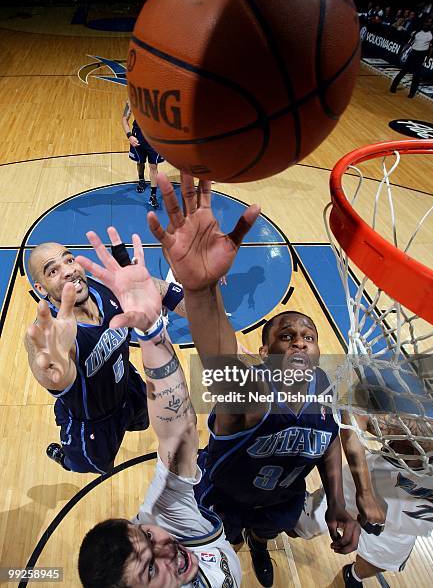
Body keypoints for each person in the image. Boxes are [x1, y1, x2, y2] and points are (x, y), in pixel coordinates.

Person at [148, 172, 360, 587]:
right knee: (224, 542)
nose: (300, 344)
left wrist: (337, 499)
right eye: (287, 336)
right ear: (264, 353)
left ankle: (260, 544)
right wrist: (201, 288)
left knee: (267, 532)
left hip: (282, 496)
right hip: (225, 498)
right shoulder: (249, 394)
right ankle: (237, 548)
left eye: (308, 338)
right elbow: (219, 357)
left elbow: (329, 439)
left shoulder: (326, 387)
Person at [76, 230, 242, 587]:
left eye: (148, 538)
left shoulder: (163, 512)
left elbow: (179, 429)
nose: (168, 551)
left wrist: (151, 331)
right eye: (150, 570)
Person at [24, 229, 186, 474]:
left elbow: (175, 298)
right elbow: (50, 372)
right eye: (52, 271)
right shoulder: (52, 337)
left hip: (127, 384)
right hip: (92, 424)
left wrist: (200, 294)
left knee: (142, 421)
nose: (69, 270)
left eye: (69, 260)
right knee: (90, 466)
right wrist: (50, 374)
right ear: (41, 288)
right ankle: (64, 458)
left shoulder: (108, 288)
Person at [294, 412, 433, 588]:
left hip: (410, 520)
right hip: (364, 489)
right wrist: (365, 493)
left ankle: (354, 575)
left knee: (382, 561)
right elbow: (355, 417)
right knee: (298, 527)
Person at [122, 99, 164, 208]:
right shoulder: (132, 100)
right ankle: (141, 179)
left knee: (153, 166)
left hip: (154, 137)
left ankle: (153, 196)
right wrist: (129, 135)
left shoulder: (159, 98)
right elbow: (124, 119)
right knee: (140, 162)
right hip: (138, 135)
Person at [390, 17, 433, 98]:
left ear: (430, 26)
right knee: (403, 71)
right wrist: (403, 51)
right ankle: (393, 87)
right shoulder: (416, 33)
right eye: (425, 24)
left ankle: (411, 93)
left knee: (416, 75)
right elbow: (409, 43)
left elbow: (431, 48)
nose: (426, 25)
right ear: (423, 25)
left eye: (428, 24)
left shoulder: (431, 35)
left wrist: (427, 58)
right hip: (413, 54)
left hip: (421, 56)